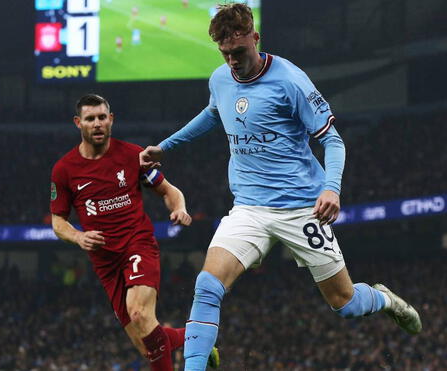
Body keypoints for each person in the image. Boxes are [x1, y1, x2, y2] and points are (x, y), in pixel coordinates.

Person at [139, 4, 422, 370]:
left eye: (238, 52)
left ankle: (384, 299)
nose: (232, 62)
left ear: (255, 38)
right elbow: (213, 113)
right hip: (249, 209)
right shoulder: (221, 79)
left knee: (346, 304)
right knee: (207, 286)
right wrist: (165, 147)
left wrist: (331, 189)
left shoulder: (290, 80)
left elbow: (333, 140)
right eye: (225, 54)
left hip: (303, 207)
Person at [51, 94, 217, 370]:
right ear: (78, 123)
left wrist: (179, 208)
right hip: (104, 261)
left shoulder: (131, 155)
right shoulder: (64, 170)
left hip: (136, 244)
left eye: (102, 117)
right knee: (146, 344)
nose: (97, 124)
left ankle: (197, 339)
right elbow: (58, 223)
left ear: (111, 120)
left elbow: (169, 190)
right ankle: (196, 338)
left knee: (140, 315)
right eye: (90, 119)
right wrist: (79, 236)